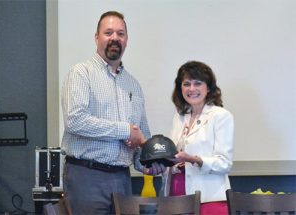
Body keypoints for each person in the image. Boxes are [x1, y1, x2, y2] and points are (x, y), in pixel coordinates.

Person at [61, 11, 165, 215]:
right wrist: (125, 131)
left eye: (120, 33)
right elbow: (75, 120)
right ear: (96, 37)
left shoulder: (133, 85)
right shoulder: (81, 73)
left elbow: (140, 136)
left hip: (122, 179)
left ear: (126, 40)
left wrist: (147, 164)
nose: (115, 38)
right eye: (108, 32)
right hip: (87, 177)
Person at [162, 61, 234, 215]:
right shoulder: (179, 117)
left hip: (209, 200)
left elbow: (224, 163)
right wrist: (160, 163)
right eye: (186, 84)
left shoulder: (221, 116)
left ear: (208, 88)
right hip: (176, 198)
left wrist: (193, 159)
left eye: (197, 83)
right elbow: (173, 155)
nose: (191, 89)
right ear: (180, 88)